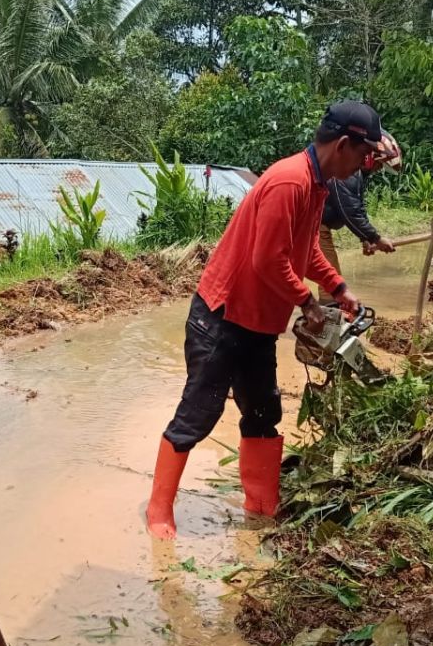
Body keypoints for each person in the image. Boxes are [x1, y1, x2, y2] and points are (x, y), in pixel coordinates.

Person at [146, 101, 383, 540]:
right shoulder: (289, 182)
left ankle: (260, 508)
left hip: (257, 323)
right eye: (363, 154)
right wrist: (307, 304)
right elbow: (266, 261)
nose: (363, 165)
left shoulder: (317, 184)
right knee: (198, 414)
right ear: (344, 145)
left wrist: (338, 289)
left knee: (263, 412)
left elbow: (305, 250)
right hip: (222, 316)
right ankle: (159, 513)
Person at [317, 132, 404, 302]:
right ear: (370, 157)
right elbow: (350, 211)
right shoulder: (345, 173)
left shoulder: (355, 174)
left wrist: (366, 239)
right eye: (379, 165)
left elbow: (358, 206)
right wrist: (375, 238)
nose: (378, 170)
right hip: (311, 225)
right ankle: (327, 322)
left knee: (327, 277)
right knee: (330, 280)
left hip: (318, 225)